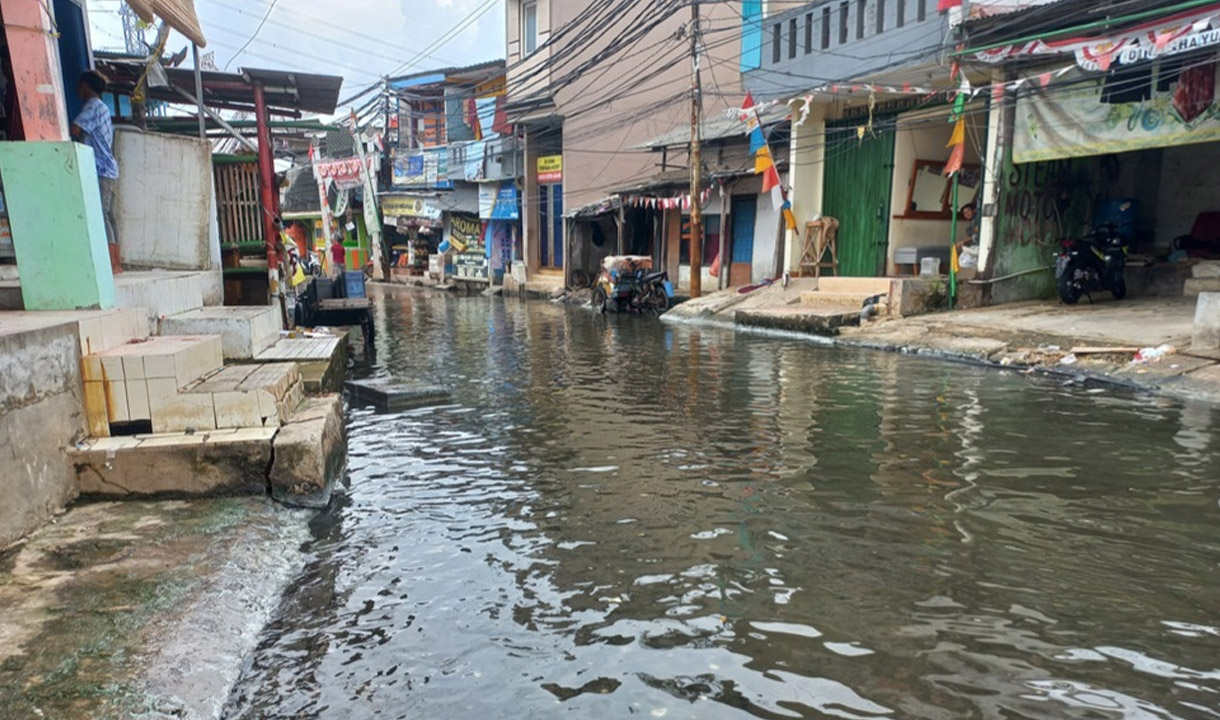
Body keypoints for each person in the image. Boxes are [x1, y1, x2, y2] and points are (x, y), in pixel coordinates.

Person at [70, 70, 119, 249]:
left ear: (85, 86)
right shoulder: (103, 107)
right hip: (110, 169)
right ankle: (115, 259)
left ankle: (108, 257)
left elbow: (75, 129)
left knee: (101, 213)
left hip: (101, 169)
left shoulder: (92, 105)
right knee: (109, 215)